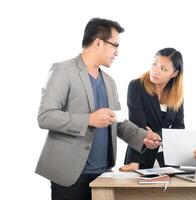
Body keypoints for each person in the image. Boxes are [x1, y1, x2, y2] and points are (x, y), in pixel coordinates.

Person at [35, 18, 161, 200]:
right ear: (98, 43)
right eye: (115, 45)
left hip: (103, 174)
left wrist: (143, 136)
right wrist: (89, 120)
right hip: (69, 176)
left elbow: (117, 122)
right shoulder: (63, 70)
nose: (117, 52)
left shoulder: (109, 82)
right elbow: (45, 116)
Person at [119, 48, 185, 172]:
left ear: (174, 73)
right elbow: (137, 125)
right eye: (155, 64)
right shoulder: (136, 86)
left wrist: (158, 136)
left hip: (167, 160)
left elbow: (179, 128)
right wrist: (156, 136)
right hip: (139, 156)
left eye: (163, 68)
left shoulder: (177, 94)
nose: (156, 71)